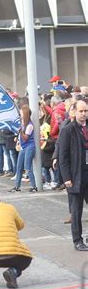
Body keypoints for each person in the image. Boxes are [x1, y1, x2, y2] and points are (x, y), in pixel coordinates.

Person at [58, 100, 88, 251]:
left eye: (86, 111)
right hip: (76, 177)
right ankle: (77, 240)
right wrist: (67, 178)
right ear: (75, 112)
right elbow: (62, 156)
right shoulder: (68, 129)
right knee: (76, 211)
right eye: (81, 111)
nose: (84, 114)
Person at [9, 106, 37, 192]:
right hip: (23, 147)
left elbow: (25, 138)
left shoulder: (29, 126)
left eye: (21, 113)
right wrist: (17, 137)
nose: (20, 115)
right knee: (19, 167)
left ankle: (34, 186)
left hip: (29, 147)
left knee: (27, 167)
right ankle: (17, 186)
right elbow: (22, 137)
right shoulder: (23, 124)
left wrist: (20, 131)